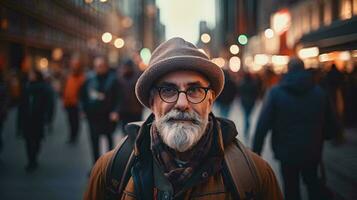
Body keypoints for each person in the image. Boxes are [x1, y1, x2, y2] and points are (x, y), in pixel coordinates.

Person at [84, 38, 282, 200]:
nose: (182, 103)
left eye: (194, 90)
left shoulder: (255, 175)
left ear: (210, 100)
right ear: (152, 102)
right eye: (168, 90)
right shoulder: (109, 172)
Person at [252, 58, 339, 200]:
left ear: (288, 69)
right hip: (312, 149)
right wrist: (325, 136)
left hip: (286, 152)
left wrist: (256, 150)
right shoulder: (319, 92)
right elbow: (330, 123)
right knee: (312, 183)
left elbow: (263, 124)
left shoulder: (276, 93)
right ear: (304, 69)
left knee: (291, 187)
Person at [80, 56, 121, 164]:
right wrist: (83, 109)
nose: (99, 68)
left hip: (107, 116)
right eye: (97, 66)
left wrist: (115, 111)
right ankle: (96, 165)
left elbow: (118, 96)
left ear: (106, 67)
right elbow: (82, 96)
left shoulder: (113, 79)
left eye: (101, 66)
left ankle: (109, 164)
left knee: (109, 139)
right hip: (93, 116)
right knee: (94, 141)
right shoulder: (89, 79)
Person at [20, 69, 52, 172]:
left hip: (38, 119)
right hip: (27, 119)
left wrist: (48, 118)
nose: (30, 76)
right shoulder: (26, 87)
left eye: (32, 74)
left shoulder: (43, 88)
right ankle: (31, 161)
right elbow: (22, 105)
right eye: (30, 74)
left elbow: (49, 105)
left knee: (37, 139)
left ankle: (34, 156)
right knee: (28, 141)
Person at [62, 55, 85, 144]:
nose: (74, 67)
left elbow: (82, 92)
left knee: (75, 121)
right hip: (68, 103)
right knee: (70, 121)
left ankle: (74, 136)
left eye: (76, 65)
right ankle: (71, 135)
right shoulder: (69, 76)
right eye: (73, 65)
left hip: (76, 104)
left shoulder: (82, 78)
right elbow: (66, 89)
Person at [117, 58, 143, 132]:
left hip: (136, 110)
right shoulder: (119, 78)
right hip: (124, 111)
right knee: (125, 131)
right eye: (124, 67)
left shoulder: (137, 77)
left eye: (127, 67)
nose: (125, 69)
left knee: (136, 130)